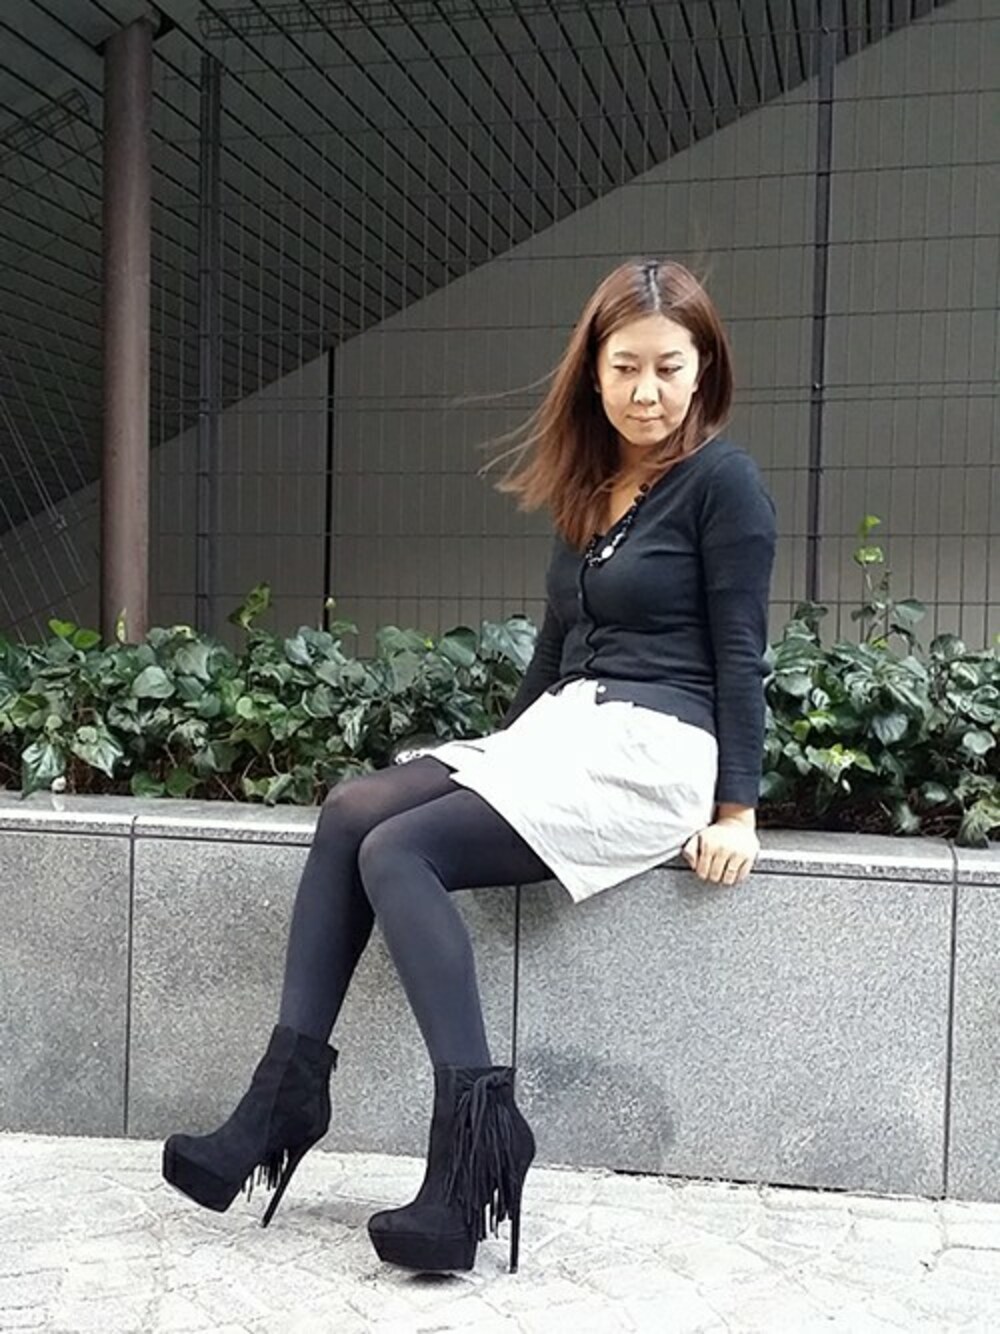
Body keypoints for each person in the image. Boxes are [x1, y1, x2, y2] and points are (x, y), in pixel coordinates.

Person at [161, 258, 777, 1276]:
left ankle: (476, 1151)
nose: (646, 391)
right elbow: (554, 651)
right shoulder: (593, 486)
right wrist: (495, 762)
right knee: (353, 809)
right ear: (593, 372)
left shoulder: (724, 484)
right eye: (625, 368)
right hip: (567, 734)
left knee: (399, 851)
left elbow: (741, 652)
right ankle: (280, 1103)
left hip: (653, 749)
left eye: (669, 368)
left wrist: (736, 811)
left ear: (704, 368)